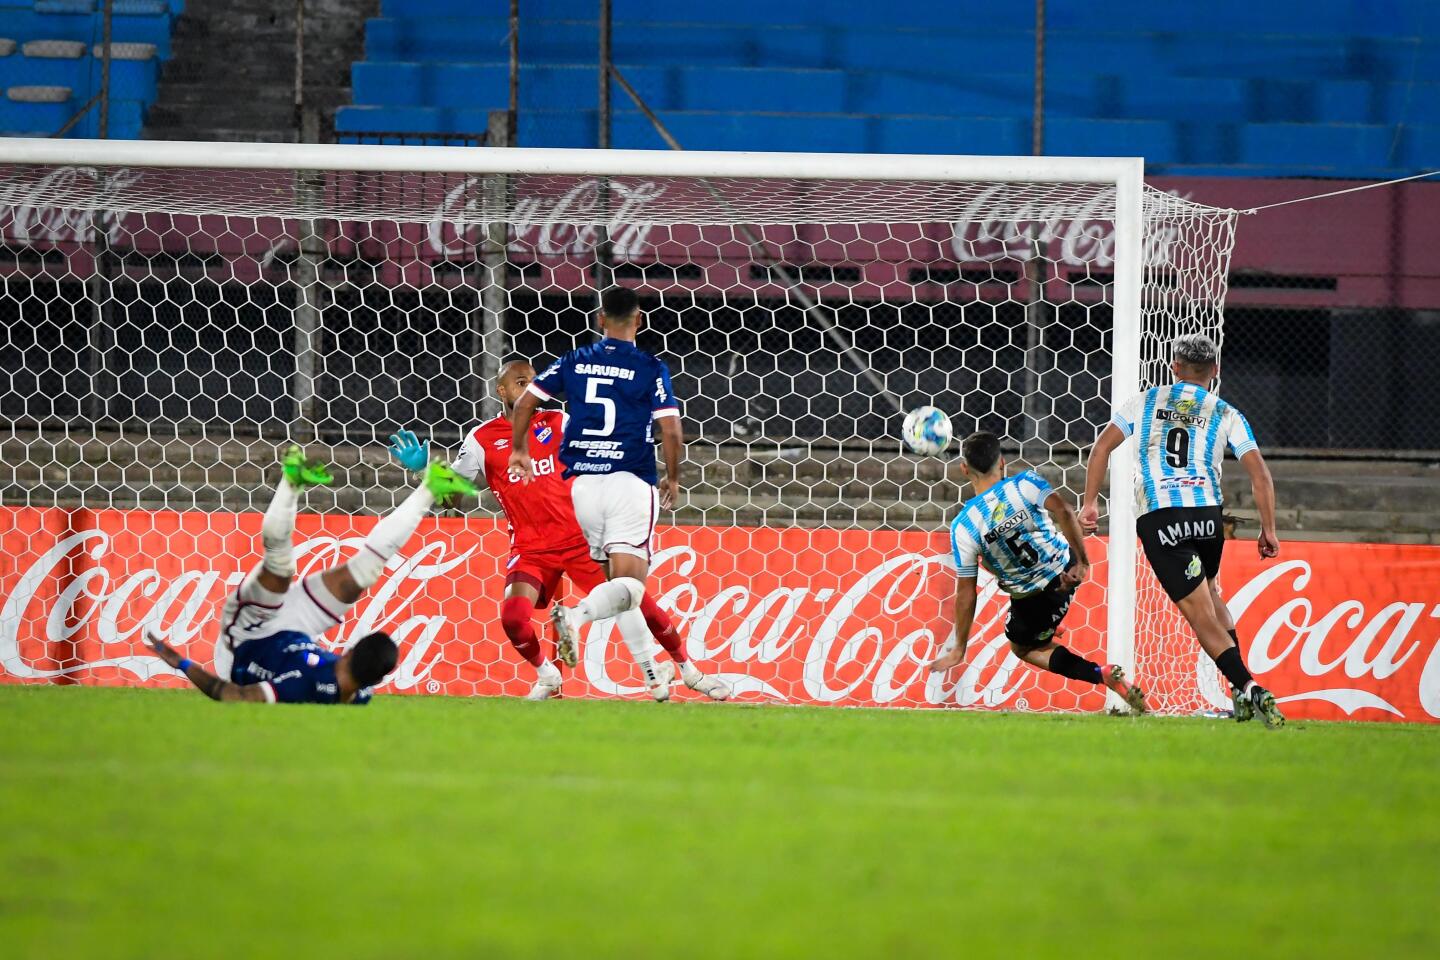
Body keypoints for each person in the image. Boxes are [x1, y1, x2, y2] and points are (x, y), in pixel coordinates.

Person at [389, 359, 729, 702]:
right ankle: (548, 675)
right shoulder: (481, 439)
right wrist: (425, 471)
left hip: (579, 540)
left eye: (534, 383)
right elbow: (452, 502)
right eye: (521, 383)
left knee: (635, 600)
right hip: (530, 549)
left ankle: (689, 671)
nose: (531, 390)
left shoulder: (558, 422)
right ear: (502, 391)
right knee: (513, 619)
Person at [145, 445, 476, 704]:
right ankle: (429, 490)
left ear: (349, 651)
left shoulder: (303, 686)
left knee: (279, 567)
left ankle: (290, 485)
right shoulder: (359, 695)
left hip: (244, 639)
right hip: (297, 629)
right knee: (365, 571)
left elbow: (231, 695)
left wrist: (183, 664)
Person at [506, 286, 701, 702]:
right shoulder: (650, 367)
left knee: (615, 582)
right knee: (630, 586)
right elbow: (669, 427)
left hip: (583, 488)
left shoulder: (574, 360)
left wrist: (519, 449)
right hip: (629, 479)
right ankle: (577, 617)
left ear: (599, 320)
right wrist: (673, 476)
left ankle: (655, 675)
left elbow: (525, 402)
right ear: (640, 319)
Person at [1079, 333, 1284, 727]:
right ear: (1215, 371)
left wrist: (1090, 503)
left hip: (1163, 516)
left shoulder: (1145, 401)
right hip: (1208, 518)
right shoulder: (1225, 412)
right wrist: (1269, 529)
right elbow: (1260, 472)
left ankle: (1250, 688)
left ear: (1175, 366)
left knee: (1199, 615)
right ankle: (1240, 698)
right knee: (1211, 592)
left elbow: (1102, 448)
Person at [927, 431, 1148, 712]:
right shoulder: (1025, 483)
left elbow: (966, 592)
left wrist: (959, 646)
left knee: (1022, 647)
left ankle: (1099, 673)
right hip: (1066, 570)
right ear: (1002, 463)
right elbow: (1066, 512)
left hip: (1034, 598)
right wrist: (1082, 562)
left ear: (964, 469)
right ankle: (1051, 625)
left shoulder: (963, 525)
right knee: (1005, 575)